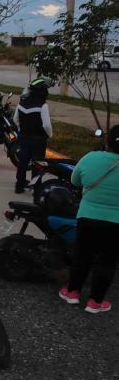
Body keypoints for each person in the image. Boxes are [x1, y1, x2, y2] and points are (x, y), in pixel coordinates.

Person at [59, 125, 119, 314]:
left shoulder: (91, 158)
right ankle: (95, 302)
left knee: (83, 255)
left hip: (87, 217)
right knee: (107, 261)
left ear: (107, 141)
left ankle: (72, 292)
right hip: (115, 222)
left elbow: (75, 181)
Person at [13, 77, 52, 193]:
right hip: (38, 140)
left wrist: (22, 129)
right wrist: (49, 135)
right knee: (38, 165)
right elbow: (46, 125)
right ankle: (36, 188)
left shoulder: (22, 103)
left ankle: (19, 186)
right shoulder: (43, 105)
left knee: (22, 163)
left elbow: (15, 119)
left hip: (23, 137)